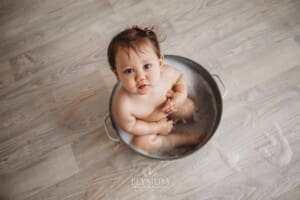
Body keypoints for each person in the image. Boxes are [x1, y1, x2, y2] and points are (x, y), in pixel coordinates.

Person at [107, 26, 203, 153]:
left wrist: (178, 97)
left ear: (160, 63)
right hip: (148, 125)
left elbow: (180, 79)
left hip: (171, 108)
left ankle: (194, 121)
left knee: (188, 107)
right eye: (129, 71)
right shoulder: (123, 103)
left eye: (147, 66)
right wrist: (156, 127)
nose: (140, 77)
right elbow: (131, 126)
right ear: (117, 75)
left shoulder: (166, 75)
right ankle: (180, 140)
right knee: (141, 144)